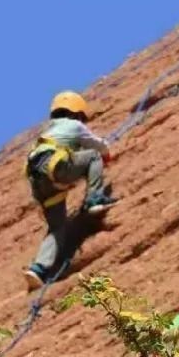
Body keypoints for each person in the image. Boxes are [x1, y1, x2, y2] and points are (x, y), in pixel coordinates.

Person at [23, 91, 117, 290]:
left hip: (38, 179)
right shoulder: (75, 125)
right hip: (56, 166)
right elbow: (98, 146)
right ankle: (94, 200)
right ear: (77, 112)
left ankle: (38, 268)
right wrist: (106, 155)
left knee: (57, 227)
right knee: (92, 156)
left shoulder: (46, 132)